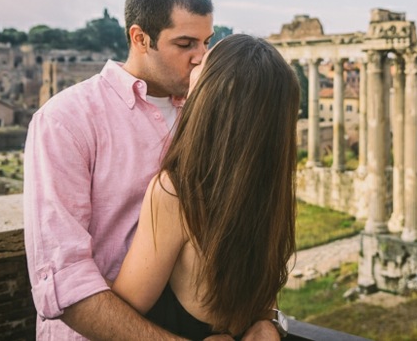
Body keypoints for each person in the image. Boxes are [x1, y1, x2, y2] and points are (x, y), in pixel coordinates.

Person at [23, 0, 280, 340]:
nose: (200, 57)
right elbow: (65, 282)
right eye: (185, 44)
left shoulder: (211, 113)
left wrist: (264, 317)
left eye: (206, 42)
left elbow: (246, 222)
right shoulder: (66, 121)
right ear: (140, 38)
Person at [112, 34, 300, 339]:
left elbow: (124, 311)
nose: (198, 59)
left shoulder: (176, 193)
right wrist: (269, 321)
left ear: (213, 97)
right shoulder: (270, 194)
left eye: (207, 59)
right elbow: (261, 300)